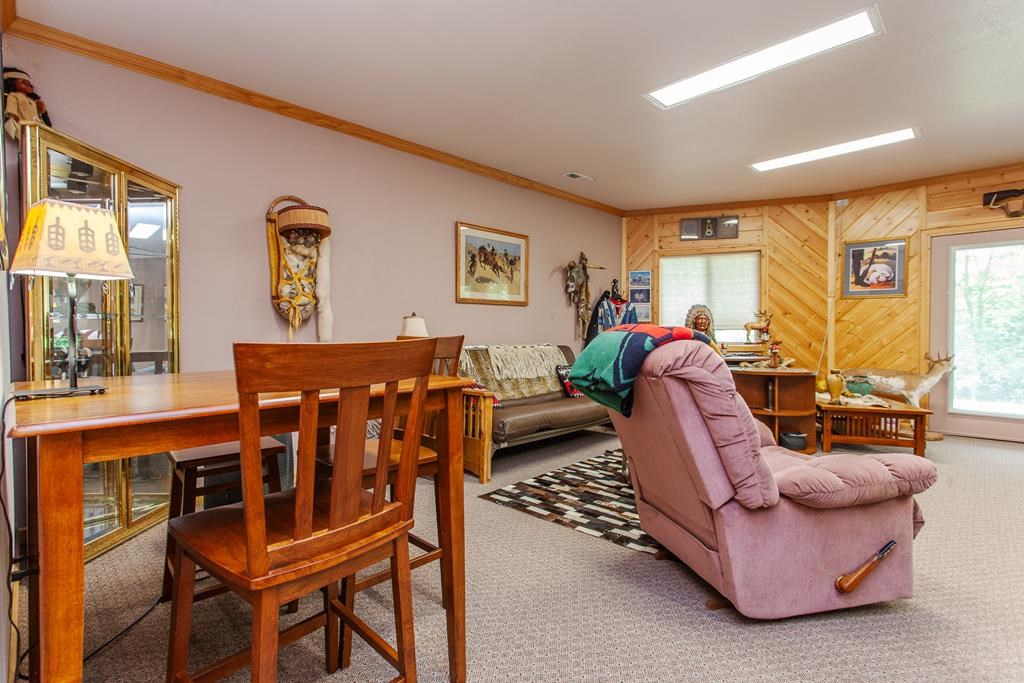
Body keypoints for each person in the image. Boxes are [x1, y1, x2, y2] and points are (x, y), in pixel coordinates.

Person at [3, 67, 51, 140]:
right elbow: (11, 106)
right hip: (24, 123)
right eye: (24, 82)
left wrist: (42, 111)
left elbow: (38, 115)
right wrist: (12, 114)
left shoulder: (32, 101)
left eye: (29, 84)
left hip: (35, 124)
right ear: (11, 83)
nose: (28, 85)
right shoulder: (14, 95)